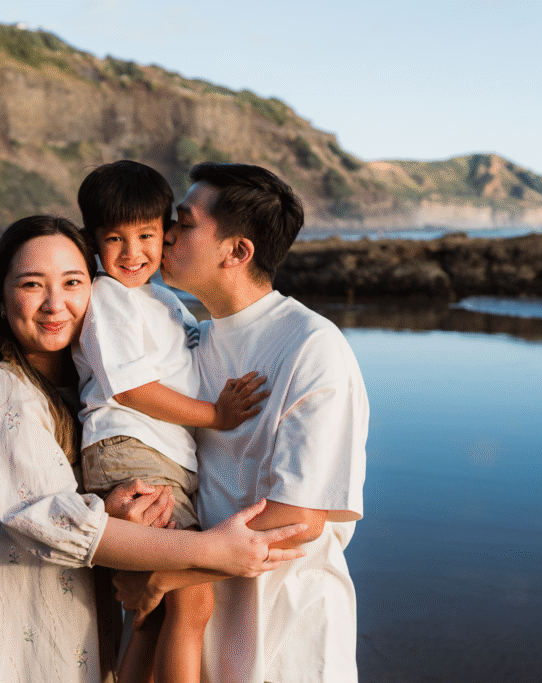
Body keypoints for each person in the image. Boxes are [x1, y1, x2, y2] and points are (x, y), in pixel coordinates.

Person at [0, 215, 308, 683]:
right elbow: (48, 520)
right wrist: (211, 550)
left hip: (71, 652)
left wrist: (112, 511)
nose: (54, 303)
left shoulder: (75, 399)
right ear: (1, 300)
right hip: (5, 660)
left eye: (73, 282)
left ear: (94, 292)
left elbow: (75, 512)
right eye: (32, 285)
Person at [116, 164, 370, 683]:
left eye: (183, 224)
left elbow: (299, 518)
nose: (164, 235)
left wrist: (162, 572)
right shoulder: (193, 342)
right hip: (195, 634)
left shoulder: (310, 346)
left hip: (288, 639)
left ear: (236, 252)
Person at [73, 161, 268, 683]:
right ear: (93, 241)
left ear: (167, 235)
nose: (132, 253)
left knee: (154, 616)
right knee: (193, 600)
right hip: (132, 452)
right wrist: (215, 415)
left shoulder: (163, 300)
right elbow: (131, 388)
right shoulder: (110, 296)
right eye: (114, 239)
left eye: (147, 236)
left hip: (160, 458)